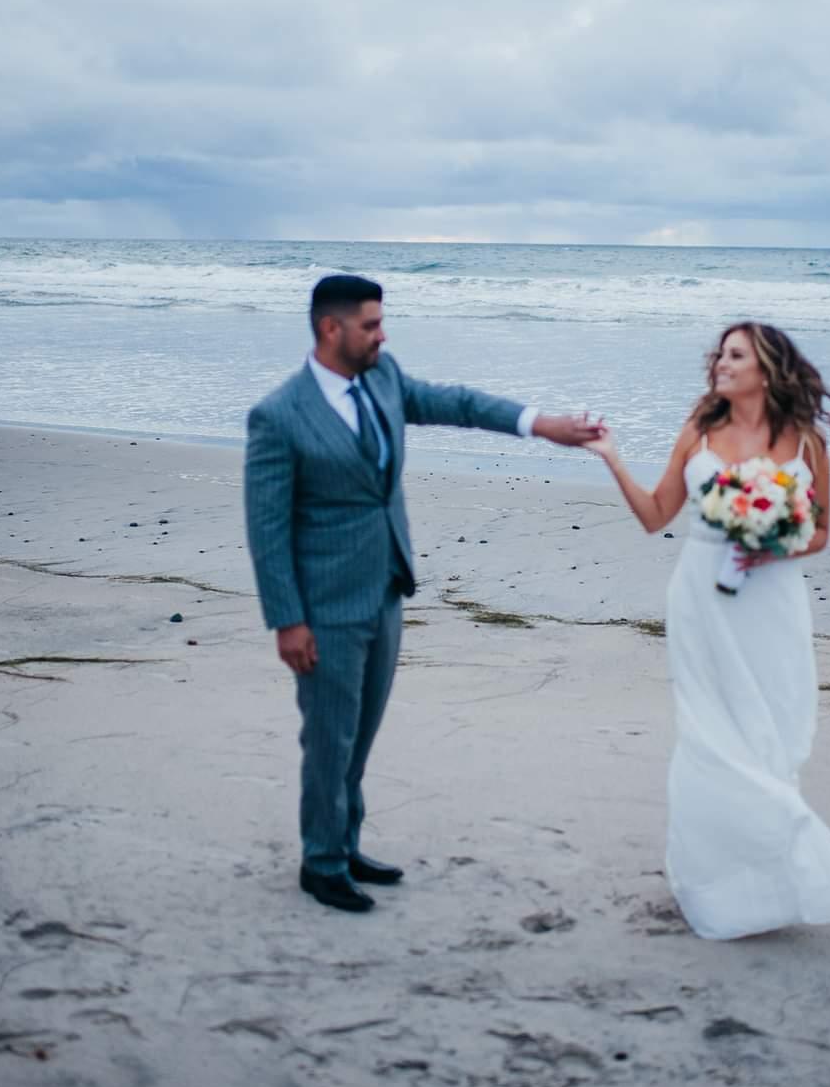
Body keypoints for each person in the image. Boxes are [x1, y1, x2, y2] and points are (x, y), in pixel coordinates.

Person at [244, 274, 604, 914]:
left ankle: (345, 843)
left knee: (360, 736)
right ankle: (321, 864)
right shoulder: (279, 416)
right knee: (329, 740)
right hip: (324, 608)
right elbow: (267, 530)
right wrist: (287, 621)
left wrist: (538, 424)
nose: (382, 336)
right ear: (331, 329)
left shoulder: (383, 378)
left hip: (386, 588)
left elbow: (456, 403)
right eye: (371, 325)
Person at [583, 322, 830, 940]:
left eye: (735, 355)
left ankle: (771, 871)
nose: (721, 364)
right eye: (720, 355)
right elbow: (655, 516)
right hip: (701, 599)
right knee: (708, 731)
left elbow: (819, 532)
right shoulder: (699, 431)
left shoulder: (806, 442)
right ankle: (708, 878)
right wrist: (612, 458)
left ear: (767, 368)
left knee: (771, 733)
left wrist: (773, 544)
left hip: (773, 602)